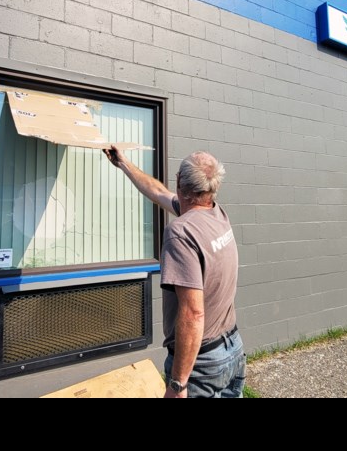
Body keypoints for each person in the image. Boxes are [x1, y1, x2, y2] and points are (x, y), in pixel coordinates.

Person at [104, 146, 244, 398]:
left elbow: (192, 313)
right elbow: (158, 192)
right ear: (211, 188)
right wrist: (124, 163)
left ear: (180, 181)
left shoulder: (181, 232)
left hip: (201, 364)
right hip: (231, 349)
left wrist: (178, 384)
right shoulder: (217, 214)